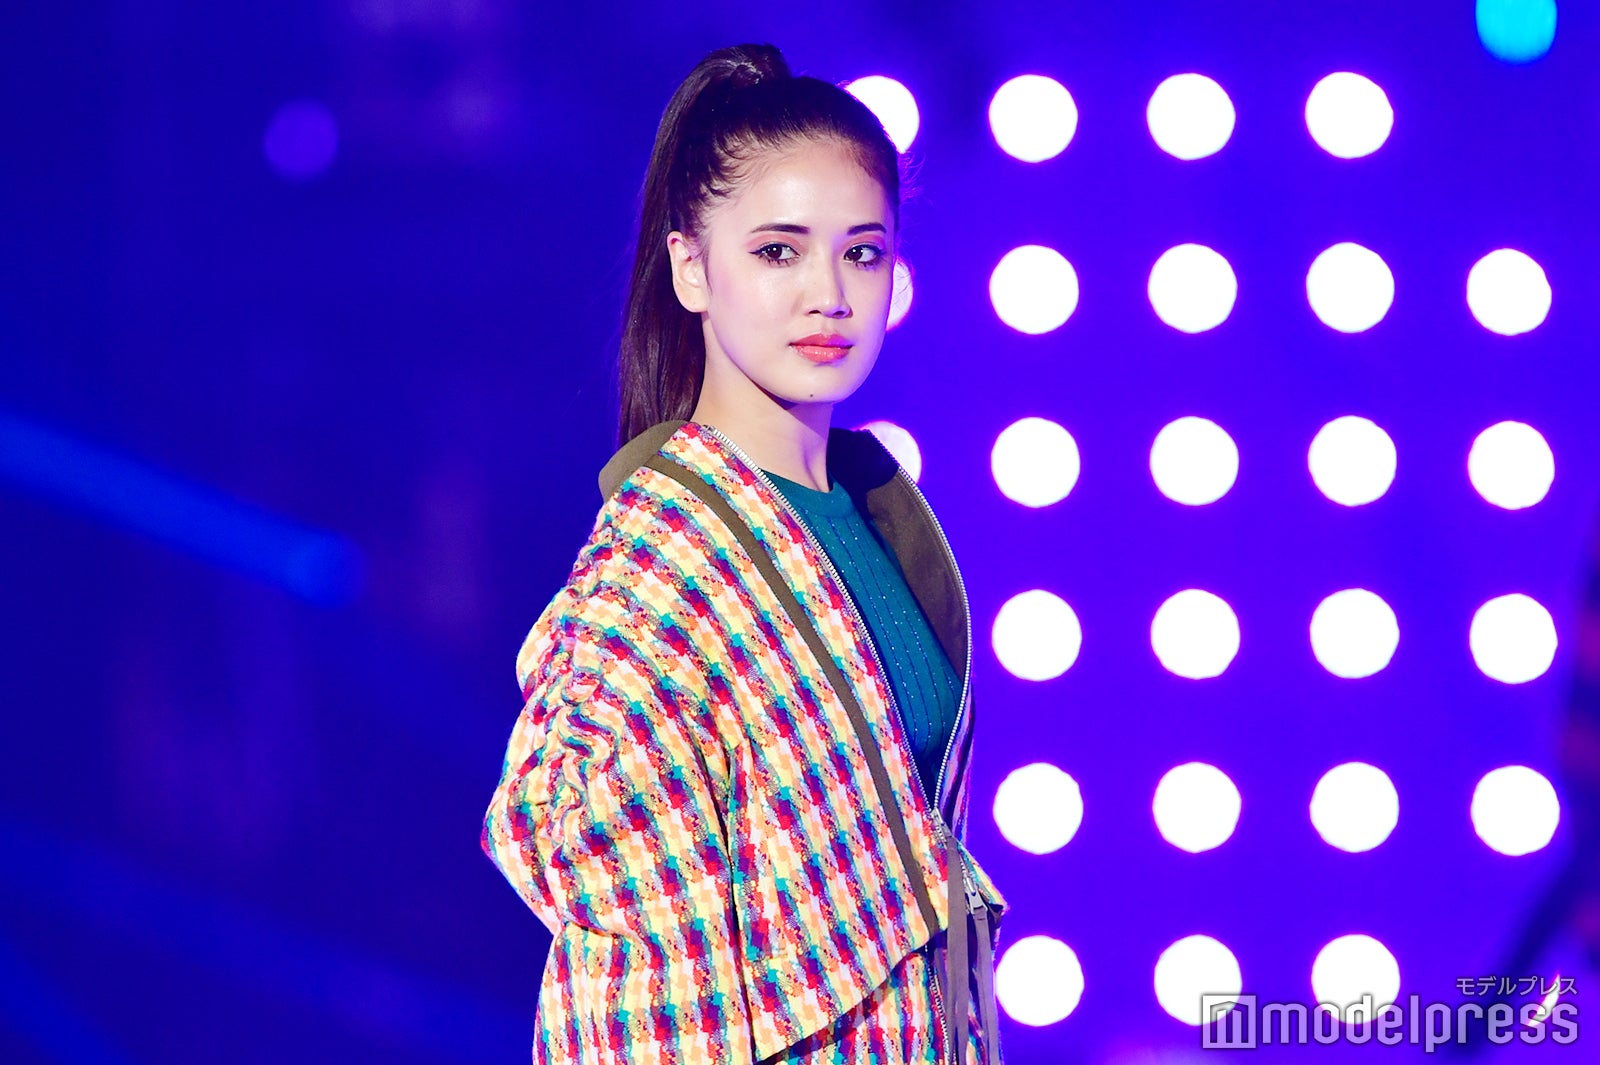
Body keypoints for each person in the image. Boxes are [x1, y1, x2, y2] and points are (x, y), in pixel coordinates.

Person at [481, 42, 1008, 1065]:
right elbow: (584, 867)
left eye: (862, 253)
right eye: (778, 251)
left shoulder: (871, 513)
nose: (830, 294)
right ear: (691, 268)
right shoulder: (662, 558)